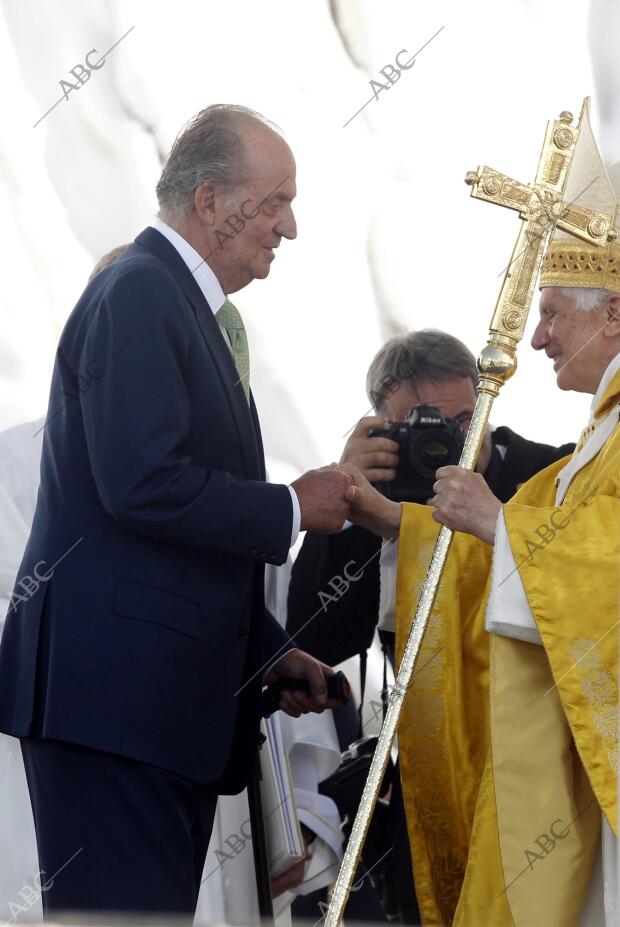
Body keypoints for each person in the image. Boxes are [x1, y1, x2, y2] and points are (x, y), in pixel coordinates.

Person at [0, 104, 354, 921]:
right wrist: (291, 506)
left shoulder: (176, 304)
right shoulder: (140, 292)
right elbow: (143, 483)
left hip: (142, 708)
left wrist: (266, 656)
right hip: (113, 709)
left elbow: (163, 546)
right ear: (208, 202)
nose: (289, 227)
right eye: (274, 203)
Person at [341, 100, 618, 925]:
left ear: (613, 313)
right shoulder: (594, 444)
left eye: (553, 314)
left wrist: (501, 527)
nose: (535, 340)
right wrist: (401, 525)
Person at [286, 329, 574, 923]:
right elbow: (318, 640)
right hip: (426, 772)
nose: (449, 442)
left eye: (468, 419)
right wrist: (343, 500)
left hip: (537, 772)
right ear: (383, 427)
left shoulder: (555, 474)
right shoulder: (374, 494)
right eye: (425, 424)